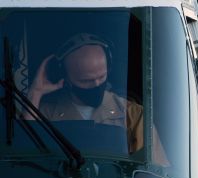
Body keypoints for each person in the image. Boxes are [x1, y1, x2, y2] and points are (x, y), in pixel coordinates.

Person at [24, 33, 169, 166]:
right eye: (85, 81)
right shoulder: (44, 113)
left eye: (101, 77)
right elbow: (25, 157)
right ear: (66, 77)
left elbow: (156, 174)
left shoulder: (133, 115)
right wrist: (35, 93)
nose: (96, 85)